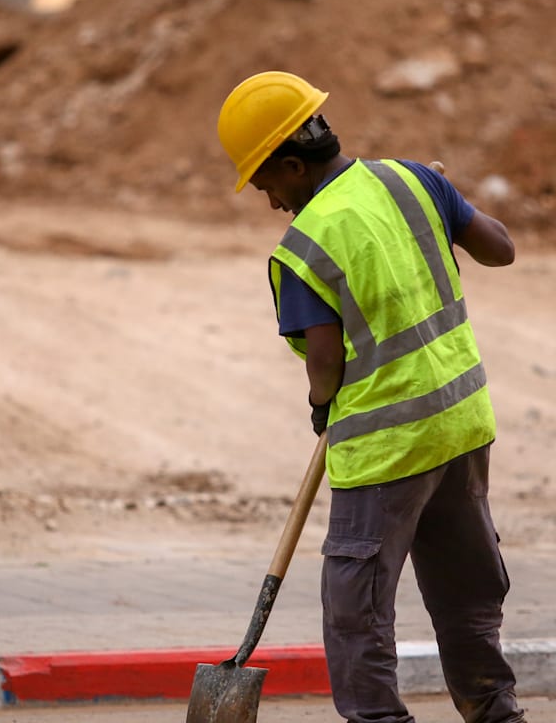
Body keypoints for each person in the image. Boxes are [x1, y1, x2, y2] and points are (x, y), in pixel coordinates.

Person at [215, 70, 525, 723]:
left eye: (267, 184)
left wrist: (319, 404)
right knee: (466, 596)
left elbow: (325, 362)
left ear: (294, 166)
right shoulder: (413, 181)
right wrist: (446, 201)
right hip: (462, 427)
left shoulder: (303, 247)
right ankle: (497, 713)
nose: (270, 201)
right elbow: (499, 249)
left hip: (386, 449)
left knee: (357, 612)